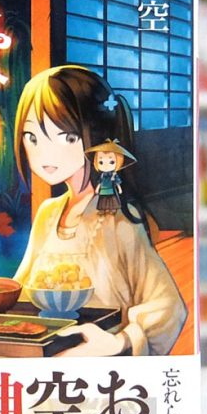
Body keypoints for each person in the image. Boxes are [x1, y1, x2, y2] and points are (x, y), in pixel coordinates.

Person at [13, 64, 186, 356]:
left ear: (97, 136)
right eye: (32, 137)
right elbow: (21, 289)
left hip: (100, 359)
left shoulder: (117, 216)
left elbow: (168, 305)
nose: (45, 153)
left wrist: (119, 342)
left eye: (67, 137)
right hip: (47, 348)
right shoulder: (48, 212)